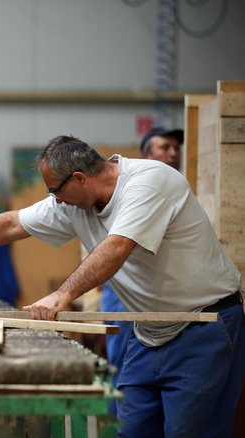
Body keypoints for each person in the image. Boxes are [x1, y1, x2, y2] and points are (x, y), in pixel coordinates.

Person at [0, 135, 244, 437]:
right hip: (149, 333)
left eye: (55, 191)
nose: (55, 200)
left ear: (79, 179)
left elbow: (117, 247)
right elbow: (11, 224)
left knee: (188, 433)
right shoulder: (73, 203)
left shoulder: (150, 181)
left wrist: (62, 295)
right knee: (131, 430)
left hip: (203, 327)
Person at [100, 126, 185, 415]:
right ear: (147, 154)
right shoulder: (131, 190)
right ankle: (116, 425)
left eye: (176, 148)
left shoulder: (178, 187)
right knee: (122, 362)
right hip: (123, 287)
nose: (173, 154)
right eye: (165, 148)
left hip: (160, 292)